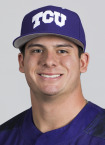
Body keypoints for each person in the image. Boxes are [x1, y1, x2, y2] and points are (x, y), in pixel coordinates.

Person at [0, 5, 105, 145]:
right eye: (37, 50)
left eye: (62, 51)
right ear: (22, 62)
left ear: (83, 62)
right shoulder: (4, 137)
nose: (49, 61)